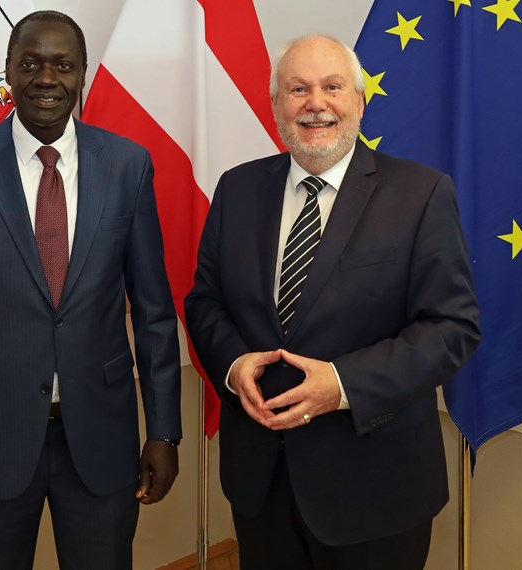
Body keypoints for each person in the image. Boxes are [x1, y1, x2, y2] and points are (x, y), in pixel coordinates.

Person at [184, 35, 480, 569]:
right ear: (276, 105)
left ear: (359, 102)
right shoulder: (237, 189)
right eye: (297, 89)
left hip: (376, 491)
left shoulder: (420, 194)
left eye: (331, 87)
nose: (315, 103)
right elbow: (205, 301)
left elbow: (451, 327)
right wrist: (231, 364)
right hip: (262, 485)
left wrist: (343, 384)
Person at [0, 11, 181, 569]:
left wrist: (165, 433)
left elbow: (153, 312)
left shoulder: (127, 166)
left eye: (62, 65)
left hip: (101, 443)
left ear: (83, 75)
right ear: (6, 72)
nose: (46, 78)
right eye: (29, 64)